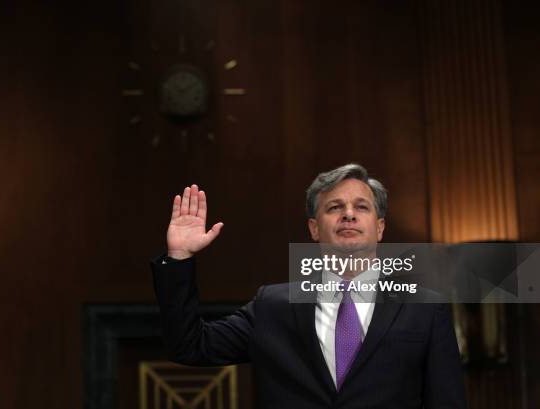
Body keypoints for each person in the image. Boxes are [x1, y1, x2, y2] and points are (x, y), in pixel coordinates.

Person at [151, 164, 466, 408]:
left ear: (379, 228)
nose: (348, 215)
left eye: (361, 207)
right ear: (314, 228)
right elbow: (190, 346)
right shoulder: (272, 305)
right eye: (334, 207)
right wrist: (179, 258)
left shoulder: (425, 308)